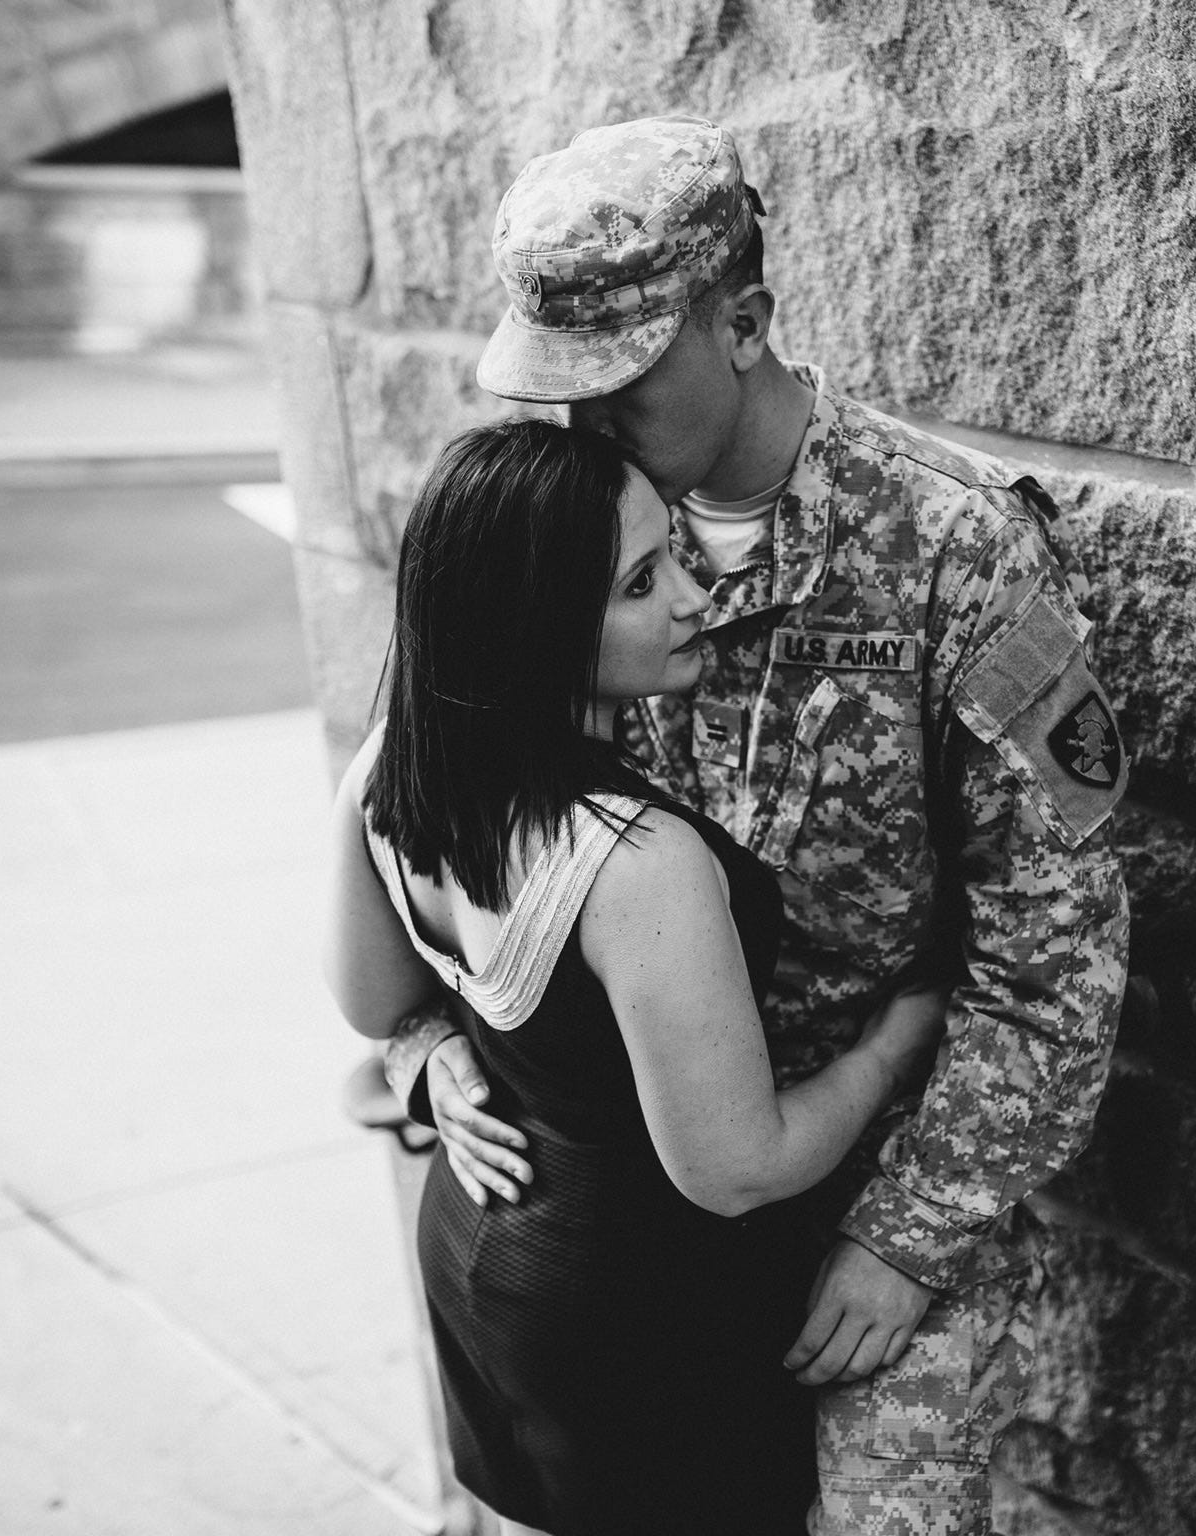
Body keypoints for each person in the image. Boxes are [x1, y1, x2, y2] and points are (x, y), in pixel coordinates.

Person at [383, 114, 1132, 1534]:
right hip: (623, 1189)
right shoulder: (560, 520)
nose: (583, 426)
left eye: (619, 384)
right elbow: (438, 784)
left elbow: (1056, 960)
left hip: (870, 1182)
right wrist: (435, 1047)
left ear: (744, 324)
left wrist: (910, 1239)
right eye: (558, 389)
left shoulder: (955, 552)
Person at [326, 418, 948, 1535]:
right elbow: (738, 1169)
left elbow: (375, 1005)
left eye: (675, 553)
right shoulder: (636, 863)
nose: (695, 597)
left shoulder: (390, 768)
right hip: (634, 1327)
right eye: (641, 582)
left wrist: (443, 1056)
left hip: (477, 1253)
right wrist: (893, 1045)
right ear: (535, 626)